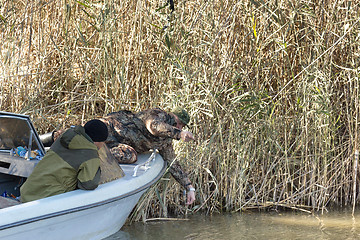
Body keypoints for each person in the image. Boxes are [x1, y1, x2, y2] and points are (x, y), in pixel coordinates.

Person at [99, 107, 196, 205]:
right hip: (105, 129)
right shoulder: (157, 114)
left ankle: (98, 152)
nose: (179, 127)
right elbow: (154, 127)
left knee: (130, 155)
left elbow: (173, 164)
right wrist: (179, 134)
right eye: (179, 123)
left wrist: (189, 188)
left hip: (112, 143)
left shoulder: (164, 141)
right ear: (172, 116)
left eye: (182, 126)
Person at [20, 119, 109, 203]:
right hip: (45, 200)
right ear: (98, 141)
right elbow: (89, 184)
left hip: (27, 192)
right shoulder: (90, 154)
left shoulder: (66, 137)